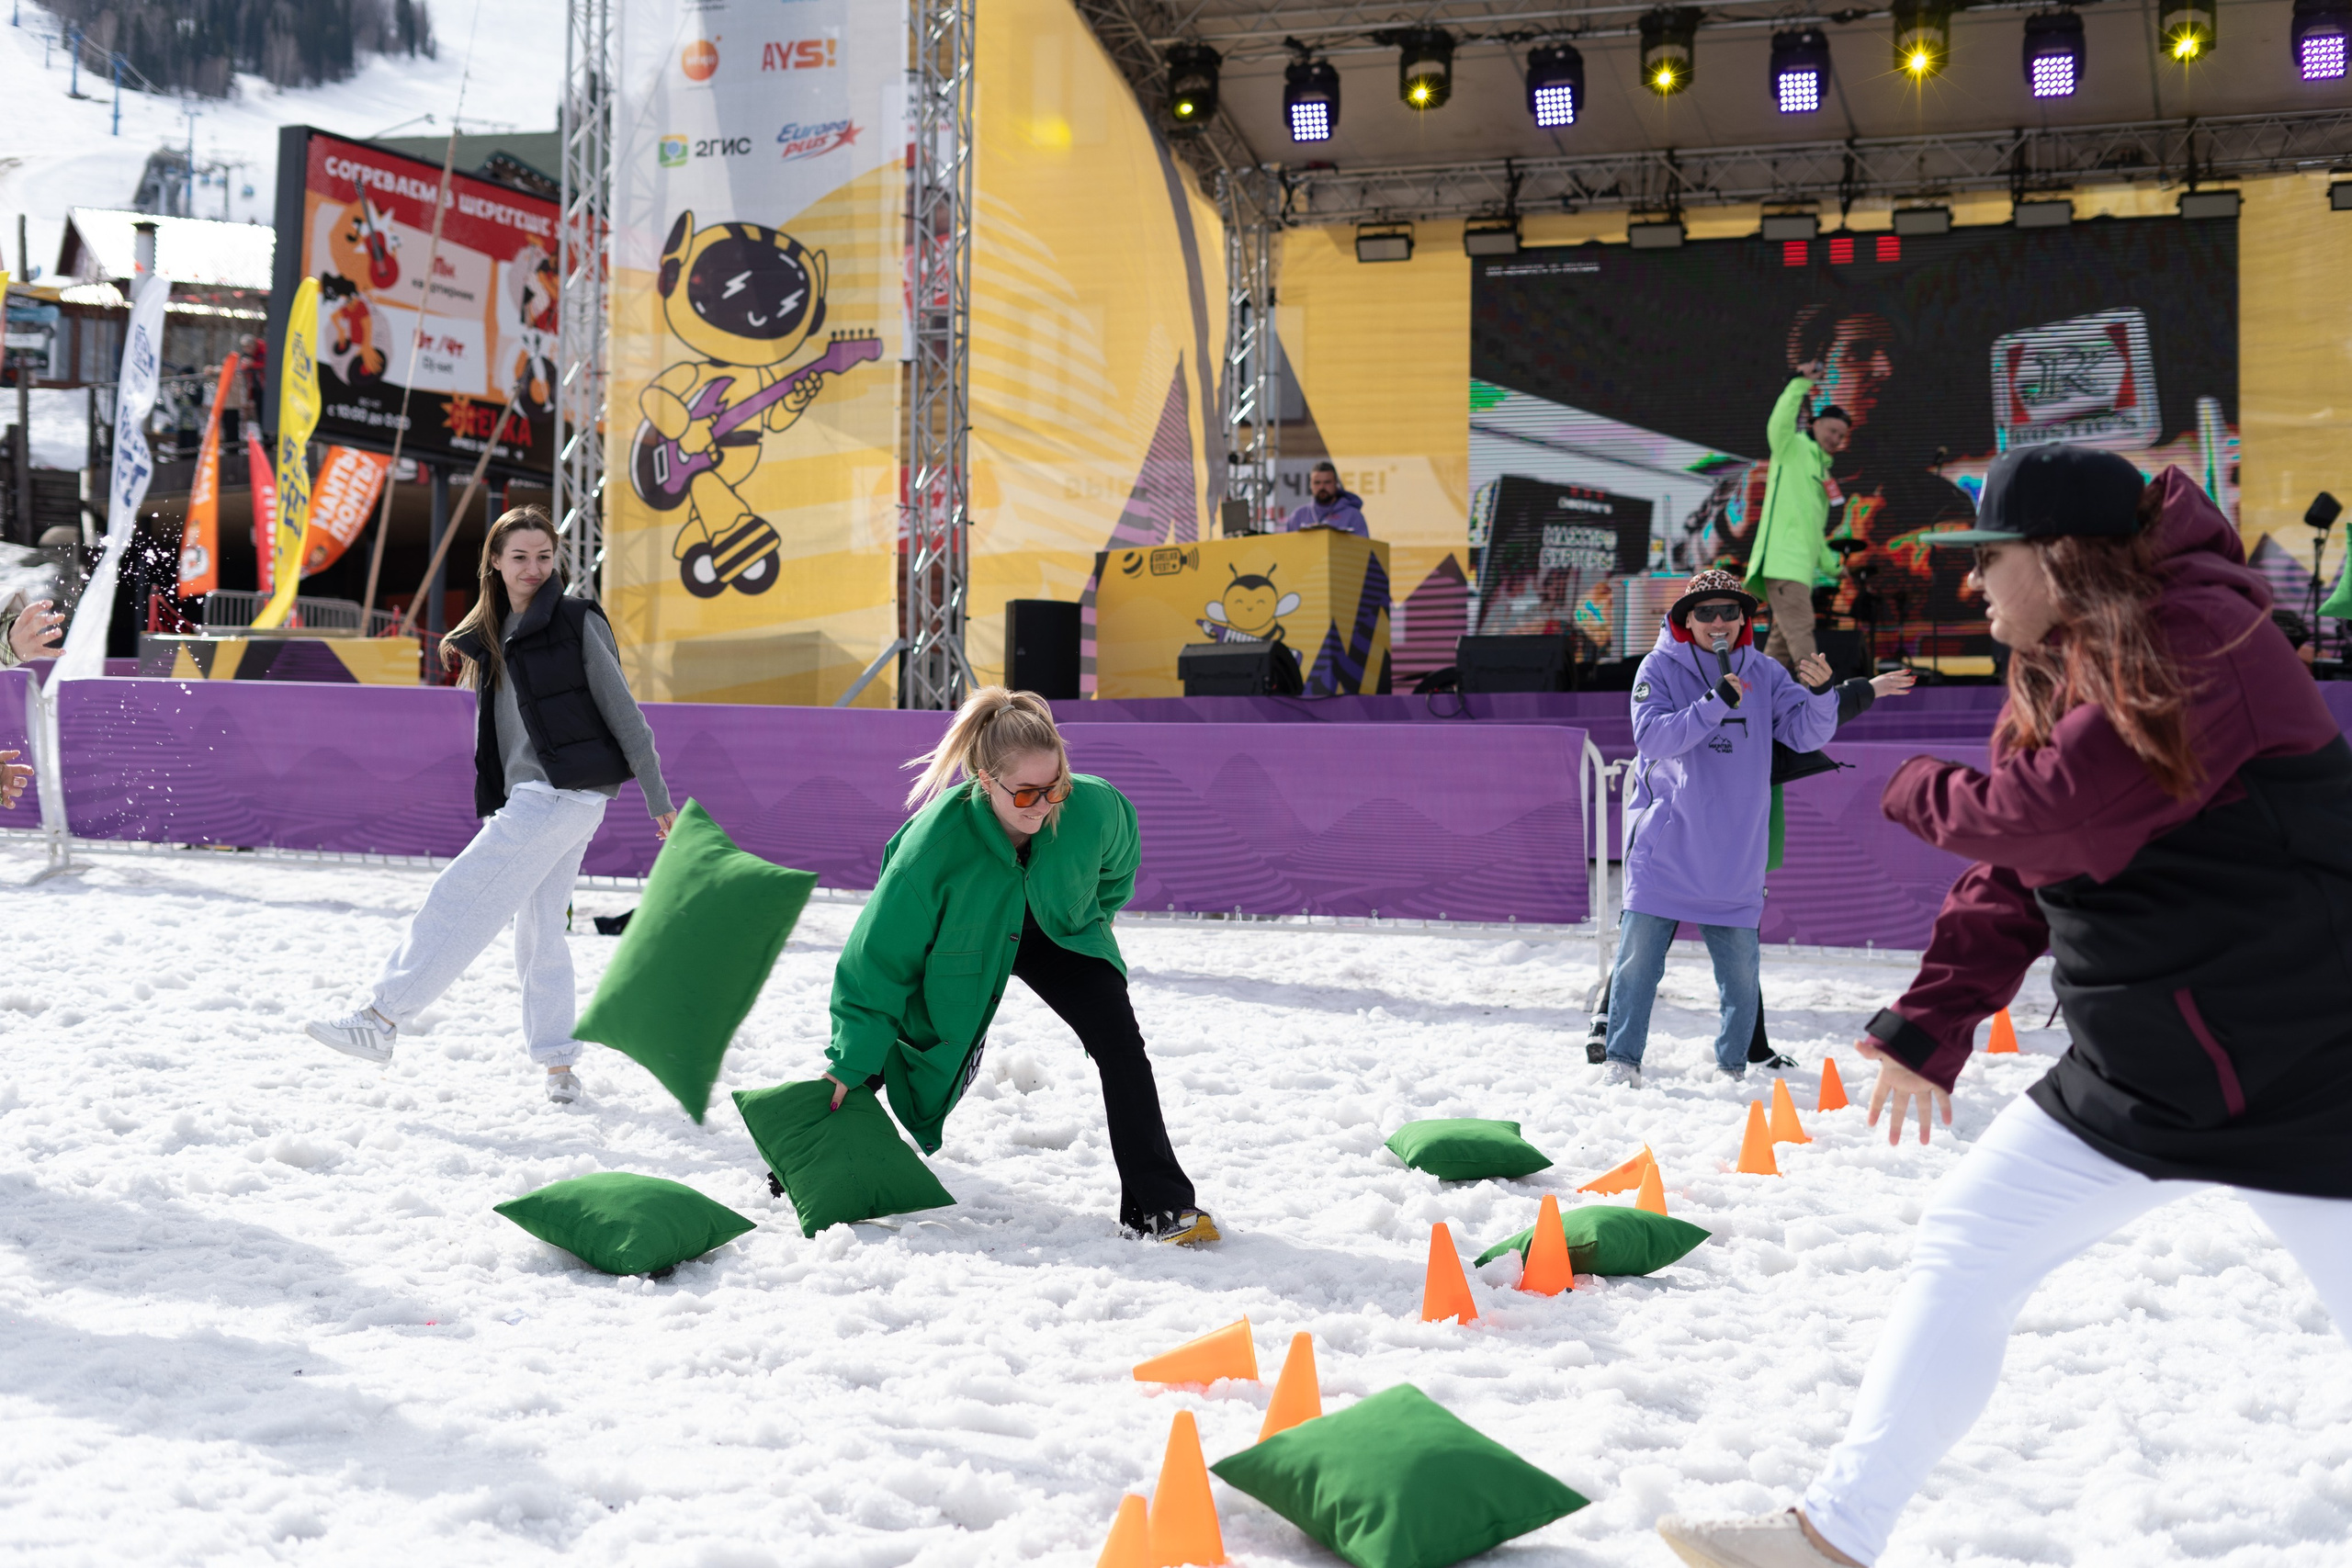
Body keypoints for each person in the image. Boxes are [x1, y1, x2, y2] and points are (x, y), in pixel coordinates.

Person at [1657, 446, 2352, 1567]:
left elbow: (2046, 820)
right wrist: (1933, 1022)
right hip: (2148, 1068)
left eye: (1990, 560)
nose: (1970, 585)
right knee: (1968, 1242)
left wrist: (1905, 784)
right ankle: (1831, 1537)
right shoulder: (2064, 659)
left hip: (2310, 1064)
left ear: (2063, 559)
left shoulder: (2204, 637)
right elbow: (2023, 874)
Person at [305, 506, 677, 1105]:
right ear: (496, 563)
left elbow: (625, 713)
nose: (534, 567)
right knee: (539, 930)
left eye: (544, 556)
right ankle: (559, 1064)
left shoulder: (577, 619)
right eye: (520, 556)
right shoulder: (489, 638)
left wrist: (659, 796)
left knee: (458, 893)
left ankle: (381, 1017)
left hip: (562, 794)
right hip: (540, 797)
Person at [820, 687, 1217, 1246]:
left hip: (1060, 934)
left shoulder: (1096, 806)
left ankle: (1161, 1207)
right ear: (985, 781)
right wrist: (847, 1057)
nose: (1044, 805)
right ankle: (806, 1154)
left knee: (1122, 1047)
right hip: (964, 943)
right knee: (891, 1045)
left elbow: (1117, 871)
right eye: (1026, 793)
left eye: (1055, 787)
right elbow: (878, 962)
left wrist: (1081, 916)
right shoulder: (933, 848)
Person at [1599, 570, 1845, 1087]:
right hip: (1667, 846)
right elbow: (1654, 740)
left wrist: (1822, 697)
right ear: (1685, 620)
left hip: (1735, 852)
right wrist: (1714, 703)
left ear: (1743, 621)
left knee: (1740, 975)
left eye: (1730, 612)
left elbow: (1802, 733)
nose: (1719, 622)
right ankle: (1622, 1060)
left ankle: (1732, 1068)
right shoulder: (1658, 666)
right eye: (1706, 612)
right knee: (1638, 966)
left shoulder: (1765, 671)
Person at [1744, 362, 1849, 671]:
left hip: (1799, 569)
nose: (1836, 439)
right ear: (1815, 424)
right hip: (1783, 564)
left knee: (1779, 646)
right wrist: (1799, 383)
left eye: (1841, 435)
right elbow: (1779, 423)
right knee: (1801, 632)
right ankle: (1817, 699)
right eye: (1832, 430)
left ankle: (1753, 700)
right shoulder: (1792, 448)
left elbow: (1814, 530)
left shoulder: (1822, 469)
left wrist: (1832, 566)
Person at [1283, 461, 1368, 536]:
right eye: (1317, 482)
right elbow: (1288, 550)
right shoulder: (1298, 516)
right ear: (1310, 485)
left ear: (1336, 483)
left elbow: (1363, 551)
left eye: (1327, 482)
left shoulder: (1353, 515)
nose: (1322, 487)